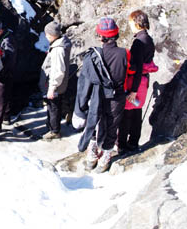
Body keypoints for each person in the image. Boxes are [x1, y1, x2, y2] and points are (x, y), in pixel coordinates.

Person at [78, 17, 128, 172]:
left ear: (101, 36)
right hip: (117, 96)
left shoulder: (93, 55)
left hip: (97, 96)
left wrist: (81, 103)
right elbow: (129, 74)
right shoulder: (124, 53)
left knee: (93, 122)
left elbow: (86, 79)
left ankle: (92, 155)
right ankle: (105, 156)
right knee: (112, 125)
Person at [118, 10, 157, 154]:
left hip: (136, 82)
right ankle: (133, 142)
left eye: (130, 23)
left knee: (127, 112)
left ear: (136, 22)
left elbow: (138, 66)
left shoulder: (139, 42)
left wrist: (133, 90)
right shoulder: (149, 39)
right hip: (143, 82)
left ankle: (122, 145)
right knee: (136, 111)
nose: (130, 26)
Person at [39, 21, 72, 141]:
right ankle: (51, 126)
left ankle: (54, 130)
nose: (46, 36)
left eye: (47, 34)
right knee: (53, 106)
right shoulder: (60, 43)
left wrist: (52, 87)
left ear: (53, 35)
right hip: (57, 84)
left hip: (55, 84)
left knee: (54, 107)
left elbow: (58, 70)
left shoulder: (58, 49)